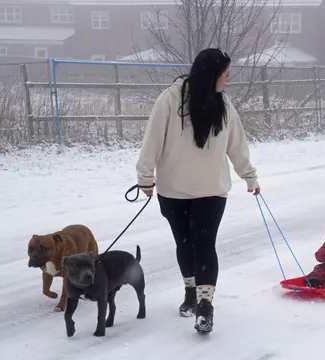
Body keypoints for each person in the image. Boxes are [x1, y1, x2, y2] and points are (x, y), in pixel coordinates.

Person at [135, 48, 260, 334]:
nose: (227, 80)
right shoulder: (170, 99)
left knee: (204, 245)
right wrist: (145, 177)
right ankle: (191, 293)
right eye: (225, 74)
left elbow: (236, 144)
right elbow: (152, 139)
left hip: (211, 191)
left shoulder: (223, 104)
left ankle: (205, 306)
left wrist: (248, 176)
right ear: (211, 74)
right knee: (185, 245)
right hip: (173, 190)